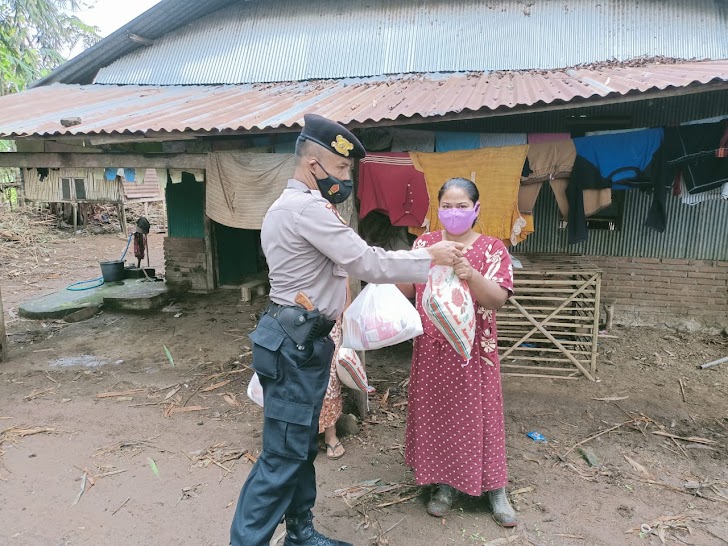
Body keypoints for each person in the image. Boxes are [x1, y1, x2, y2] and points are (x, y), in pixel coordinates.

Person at [230, 114, 464, 546]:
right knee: (281, 457)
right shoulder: (306, 210)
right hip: (296, 344)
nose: (344, 178)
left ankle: (300, 534)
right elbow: (366, 262)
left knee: (299, 447)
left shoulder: (299, 208)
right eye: (339, 170)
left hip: (301, 339)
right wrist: (431, 256)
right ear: (313, 165)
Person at [397, 177, 517, 527]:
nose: (453, 212)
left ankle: (496, 489)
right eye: (446, 206)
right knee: (440, 416)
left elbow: (498, 299)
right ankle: (446, 485)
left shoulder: (493, 248)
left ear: (476, 209)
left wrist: (470, 274)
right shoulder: (426, 243)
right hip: (432, 351)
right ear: (437, 209)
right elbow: (407, 287)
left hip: (474, 353)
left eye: (462, 205)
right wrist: (402, 263)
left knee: (482, 416)